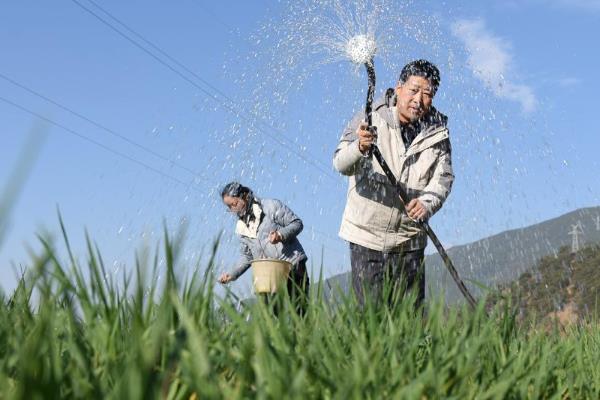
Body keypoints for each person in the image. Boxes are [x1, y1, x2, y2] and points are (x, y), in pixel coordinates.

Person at [333, 59, 454, 309]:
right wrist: (359, 148)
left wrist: (426, 204)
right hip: (367, 236)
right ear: (398, 88)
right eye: (413, 90)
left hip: (410, 240)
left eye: (428, 93)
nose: (419, 100)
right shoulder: (368, 116)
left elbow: (443, 179)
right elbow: (340, 164)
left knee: (409, 320)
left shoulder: (438, 133)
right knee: (371, 317)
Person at [218, 182, 309, 315]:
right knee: (273, 316)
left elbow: (297, 223)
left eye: (234, 204)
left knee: (300, 311)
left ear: (245, 196)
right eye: (229, 207)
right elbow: (247, 257)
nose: (233, 209)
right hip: (268, 274)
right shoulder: (241, 227)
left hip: (292, 265)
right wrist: (232, 274)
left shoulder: (270, 206)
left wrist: (281, 235)